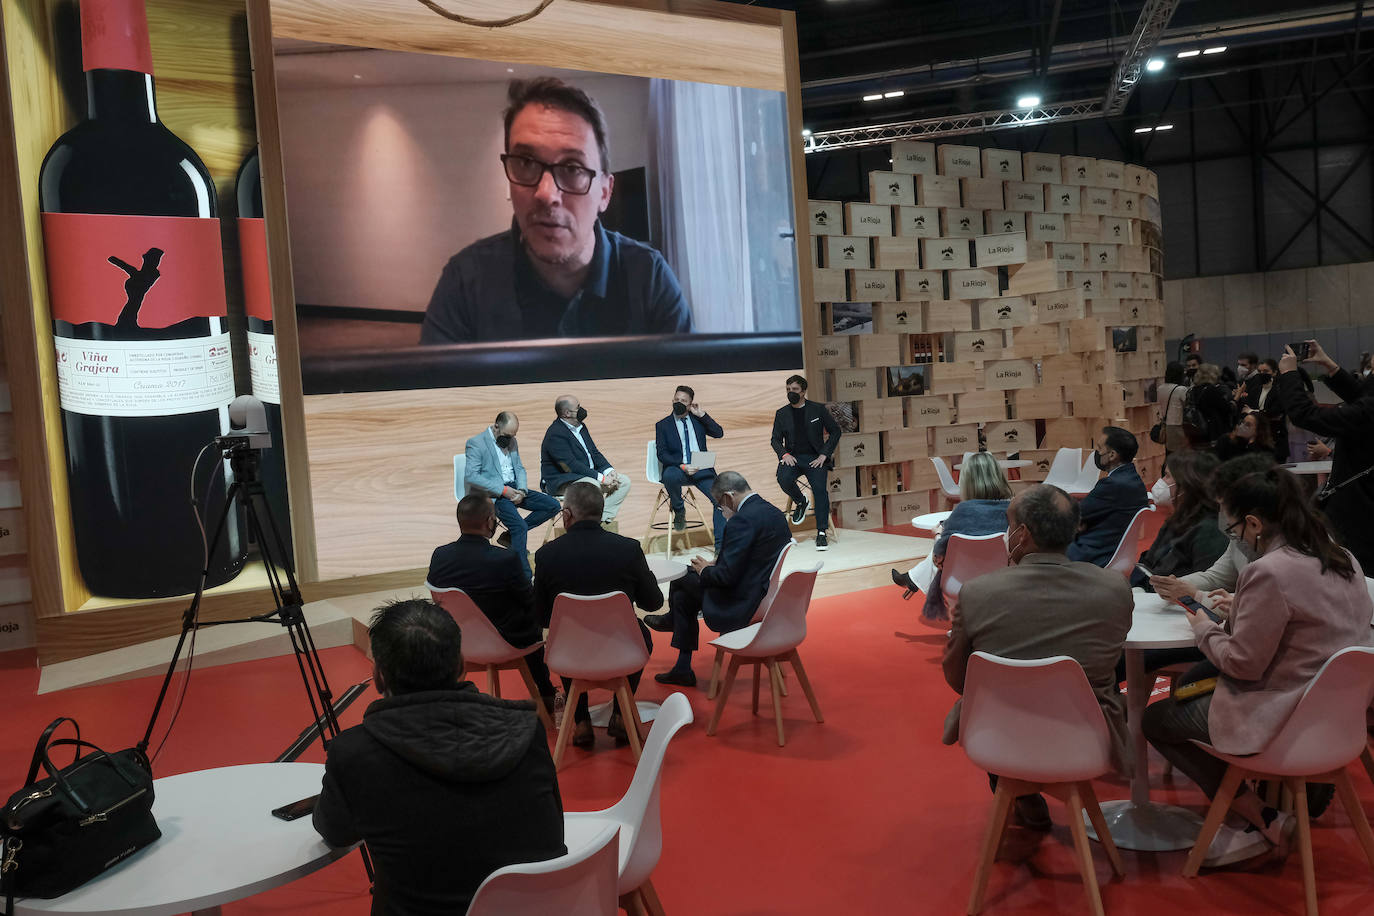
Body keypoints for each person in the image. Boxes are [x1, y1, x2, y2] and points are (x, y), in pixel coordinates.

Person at [1142, 468, 1374, 867]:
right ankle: (1263, 812)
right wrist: (1241, 607)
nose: (1235, 538)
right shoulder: (1340, 556)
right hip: (1338, 720)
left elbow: (1242, 664)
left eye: (1233, 529)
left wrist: (1203, 630)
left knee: (1157, 720)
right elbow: (1313, 620)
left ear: (1254, 523)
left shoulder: (1269, 570)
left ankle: (1260, 817)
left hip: (1283, 716)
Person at [314, 598, 565, 914]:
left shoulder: (353, 753)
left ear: (379, 677)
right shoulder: (527, 728)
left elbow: (334, 831)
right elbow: (553, 829)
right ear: (460, 665)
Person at [420, 78, 692, 343]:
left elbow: (686, 385)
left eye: (573, 168)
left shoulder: (649, 278)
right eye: (526, 163)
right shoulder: (465, 281)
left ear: (605, 192)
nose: (546, 194)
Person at [942, 484, 1133, 830]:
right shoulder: (1114, 589)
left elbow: (957, 678)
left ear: (1022, 534)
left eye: (1009, 524)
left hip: (998, 735)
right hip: (1088, 738)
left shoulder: (977, 593)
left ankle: (1021, 797)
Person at [532, 481, 660, 748]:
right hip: (623, 651)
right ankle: (620, 716)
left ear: (567, 515)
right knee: (641, 633)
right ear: (601, 512)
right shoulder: (628, 549)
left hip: (569, 654)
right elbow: (654, 603)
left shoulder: (547, 555)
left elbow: (542, 618)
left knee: (563, 633)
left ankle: (580, 722)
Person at [642, 471, 792, 686]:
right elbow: (754, 558)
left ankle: (672, 622)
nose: (720, 510)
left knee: (682, 577)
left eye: (719, 505)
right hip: (764, 594)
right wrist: (716, 564)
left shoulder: (741, 521)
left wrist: (706, 570)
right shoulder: (774, 513)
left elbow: (725, 577)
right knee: (685, 592)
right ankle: (681, 667)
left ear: (728, 497)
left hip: (741, 601)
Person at [426, 494, 557, 706]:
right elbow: (529, 601)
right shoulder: (506, 558)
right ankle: (546, 692)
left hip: (460, 641)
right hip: (508, 641)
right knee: (531, 621)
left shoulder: (440, 555)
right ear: (490, 522)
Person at [1276, 338, 1374, 573]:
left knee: (1353, 576)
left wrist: (1290, 375)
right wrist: (1330, 366)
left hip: (1360, 516)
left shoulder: (1369, 411)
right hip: (1361, 507)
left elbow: (1305, 415)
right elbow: (1362, 397)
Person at [890, 452, 1012, 624]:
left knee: (942, 545)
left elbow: (939, 554)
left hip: (961, 580)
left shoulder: (961, 513)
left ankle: (913, 579)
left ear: (967, 482)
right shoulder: (1012, 510)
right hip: (1005, 578)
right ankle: (912, 579)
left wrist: (939, 533)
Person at [463, 411, 562, 578]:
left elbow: (519, 468)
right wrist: (503, 490)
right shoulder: (476, 443)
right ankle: (523, 575)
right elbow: (471, 476)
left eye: (513, 435)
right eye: (507, 435)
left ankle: (510, 536)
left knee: (552, 506)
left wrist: (522, 490)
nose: (509, 439)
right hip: (494, 493)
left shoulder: (512, 441)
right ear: (496, 427)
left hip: (514, 487)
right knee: (520, 527)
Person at [1131, 450, 1227, 589]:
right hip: (1152, 594)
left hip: (1174, 603)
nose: (1161, 482)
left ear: (1188, 484)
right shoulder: (1177, 519)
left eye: (1167, 476)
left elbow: (1207, 587)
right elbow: (1147, 563)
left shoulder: (1210, 531)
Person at [771, 375, 842, 551]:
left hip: (815, 458)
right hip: (793, 457)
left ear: (803, 391)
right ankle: (800, 501)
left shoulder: (818, 410)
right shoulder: (782, 413)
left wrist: (824, 455)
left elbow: (835, 432)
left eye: (794, 390)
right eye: (788, 389)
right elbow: (775, 440)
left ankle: (822, 533)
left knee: (819, 490)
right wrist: (784, 454)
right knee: (783, 478)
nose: (790, 393)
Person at [539, 395, 631, 525]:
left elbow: (594, 452)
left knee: (623, 482)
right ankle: (587, 524)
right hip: (562, 481)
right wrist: (602, 478)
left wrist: (608, 470)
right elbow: (570, 465)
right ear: (566, 413)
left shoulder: (581, 426)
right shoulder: (555, 434)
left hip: (586, 476)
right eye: (578, 408)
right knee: (591, 485)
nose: (581, 410)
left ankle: (602, 521)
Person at [1066, 426, 1148, 567]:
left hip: (1093, 553)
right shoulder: (1135, 480)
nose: (1096, 453)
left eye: (1099, 448)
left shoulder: (1112, 485)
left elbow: (1074, 515)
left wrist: (1081, 523)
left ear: (1112, 455)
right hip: (1115, 550)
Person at [654, 384, 725, 544]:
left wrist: (702, 415)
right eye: (676, 399)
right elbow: (662, 453)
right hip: (678, 466)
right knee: (669, 476)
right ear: (672, 400)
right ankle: (679, 509)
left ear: (690, 404)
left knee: (721, 499)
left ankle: (720, 546)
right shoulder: (663, 425)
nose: (678, 402)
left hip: (701, 465)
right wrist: (683, 465)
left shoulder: (698, 420)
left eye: (683, 401)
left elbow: (719, 433)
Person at [1182, 363, 1234, 448]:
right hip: (1212, 430)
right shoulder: (1212, 390)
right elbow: (1226, 409)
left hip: (1196, 428)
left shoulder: (1192, 390)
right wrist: (1234, 401)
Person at [1157, 361, 1188, 453]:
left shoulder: (1160, 388)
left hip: (1165, 425)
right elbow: (1187, 405)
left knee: (1169, 454)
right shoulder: (1181, 389)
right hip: (1178, 425)